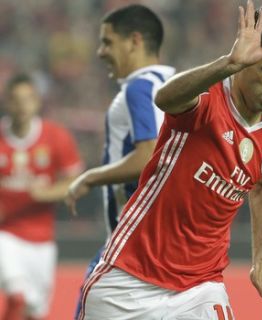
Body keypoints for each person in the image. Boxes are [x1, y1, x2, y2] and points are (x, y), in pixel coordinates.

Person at [78, 1, 262, 319]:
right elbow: (165, 98)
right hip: (129, 276)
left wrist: (261, 261)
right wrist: (228, 63)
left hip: (200, 287)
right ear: (245, 62)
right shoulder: (206, 100)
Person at [64, 4, 175, 319]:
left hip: (128, 250)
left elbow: (149, 156)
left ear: (135, 41)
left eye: (107, 42)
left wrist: (89, 178)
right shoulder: (174, 84)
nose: (100, 52)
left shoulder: (139, 88)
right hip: (162, 247)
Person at [0, 73, 83, 320]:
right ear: (7, 103)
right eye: (16, 100)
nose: (22, 106)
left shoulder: (56, 136)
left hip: (42, 241)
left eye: (28, 99)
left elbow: (76, 180)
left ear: (37, 102)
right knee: (17, 295)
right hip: (6, 234)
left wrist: (46, 193)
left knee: (34, 311)